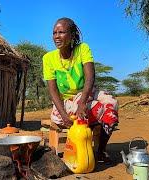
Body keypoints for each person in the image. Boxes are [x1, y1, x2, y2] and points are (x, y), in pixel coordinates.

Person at [42, 17, 119, 162]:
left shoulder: (82, 49)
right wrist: (64, 114)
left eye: (61, 32)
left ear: (72, 35)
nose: (57, 36)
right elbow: (53, 91)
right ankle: (85, 143)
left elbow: (90, 77)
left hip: (86, 93)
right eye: (54, 33)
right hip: (67, 99)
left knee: (112, 103)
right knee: (99, 109)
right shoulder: (48, 58)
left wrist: (83, 102)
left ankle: (101, 150)